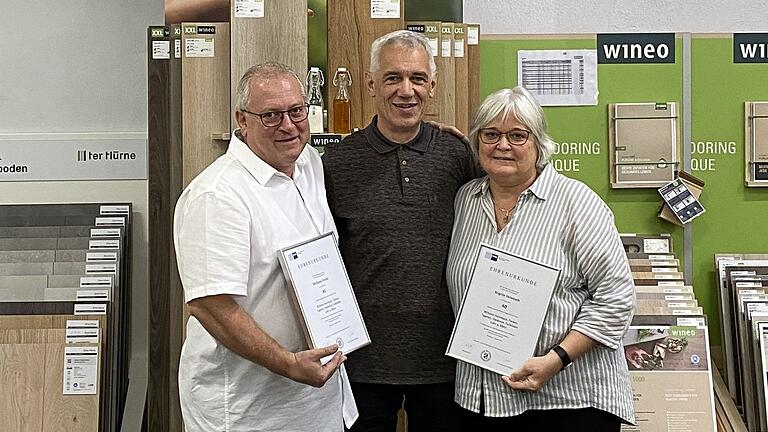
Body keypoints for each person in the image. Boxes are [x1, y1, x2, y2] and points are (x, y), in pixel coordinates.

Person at [446, 86, 635, 430]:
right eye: (490, 134)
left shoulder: (577, 203)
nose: (502, 145)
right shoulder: (464, 201)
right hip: (483, 398)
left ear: (539, 145)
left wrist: (557, 359)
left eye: (518, 135)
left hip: (568, 399)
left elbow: (617, 299)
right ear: (476, 143)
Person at [173, 62, 348, 432]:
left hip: (317, 402)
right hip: (248, 411)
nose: (288, 125)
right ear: (242, 120)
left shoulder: (309, 165)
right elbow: (211, 305)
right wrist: (287, 362)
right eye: (270, 115)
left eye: (296, 111)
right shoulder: (217, 195)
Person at [322, 30, 478, 432]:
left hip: (446, 357)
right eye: (392, 78)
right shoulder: (336, 163)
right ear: (371, 84)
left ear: (432, 85)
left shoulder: (458, 155)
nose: (405, 90)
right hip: (362, 359)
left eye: (417, 78)